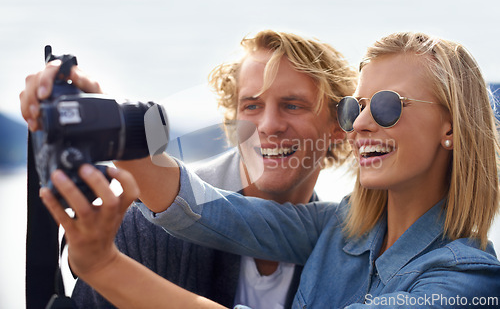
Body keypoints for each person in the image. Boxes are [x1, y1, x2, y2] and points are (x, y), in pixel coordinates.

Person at [27, 31, 500, 308]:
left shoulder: (468, 281)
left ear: (453, 128)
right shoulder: (340, 229)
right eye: (355, 106)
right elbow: (207, 211)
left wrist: (105, 267)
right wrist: (98, 116)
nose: (361, 122)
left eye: (386, 105)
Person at [21, 30, 357, 308]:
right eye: (251, 105)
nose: (269, 125)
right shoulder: (143, 223)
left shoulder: (340, 244)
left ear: (338, 126)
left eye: (292, 105)